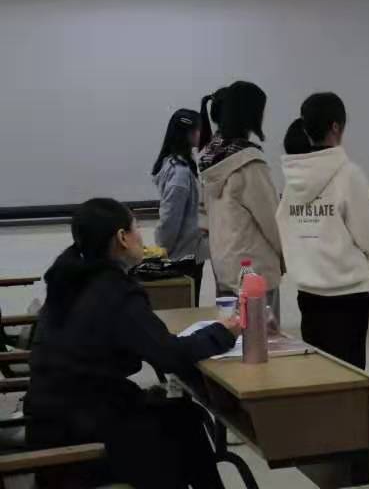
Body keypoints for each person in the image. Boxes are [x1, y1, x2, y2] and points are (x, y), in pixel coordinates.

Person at [25, 198, 240, 489]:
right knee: (182, 423)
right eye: (136, 228)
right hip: (80, 439)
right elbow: (169, 355)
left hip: (50, 423)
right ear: (122, 238)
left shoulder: (68, 278)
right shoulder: (113, 291)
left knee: (179, 414)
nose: (141, 236)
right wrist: (223, 332)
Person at [276, 93, 369, 369]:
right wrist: (367, 263)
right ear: (336, 127)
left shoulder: (292, 180)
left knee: (319, 376)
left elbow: (284, 225)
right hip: (348, 293)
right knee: (350, 376)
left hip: (308, 292)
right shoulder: (349, 174)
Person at [199, 81, 285, 317]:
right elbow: (272, 220)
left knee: (231, 331)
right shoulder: (249, 163)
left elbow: (206, 215)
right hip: (255, 270)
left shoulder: (209, 157)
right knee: (263, 334)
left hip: (225, 265)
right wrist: (286, 257)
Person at [152, 108, 210, 304]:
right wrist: (163, 251)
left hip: (186, 254)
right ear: (188, 132)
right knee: (186, 311)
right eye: (199, 129)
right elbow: (170, 217)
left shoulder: (179, 164)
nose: (201, 134)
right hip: (181, 258)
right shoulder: (180, 171)